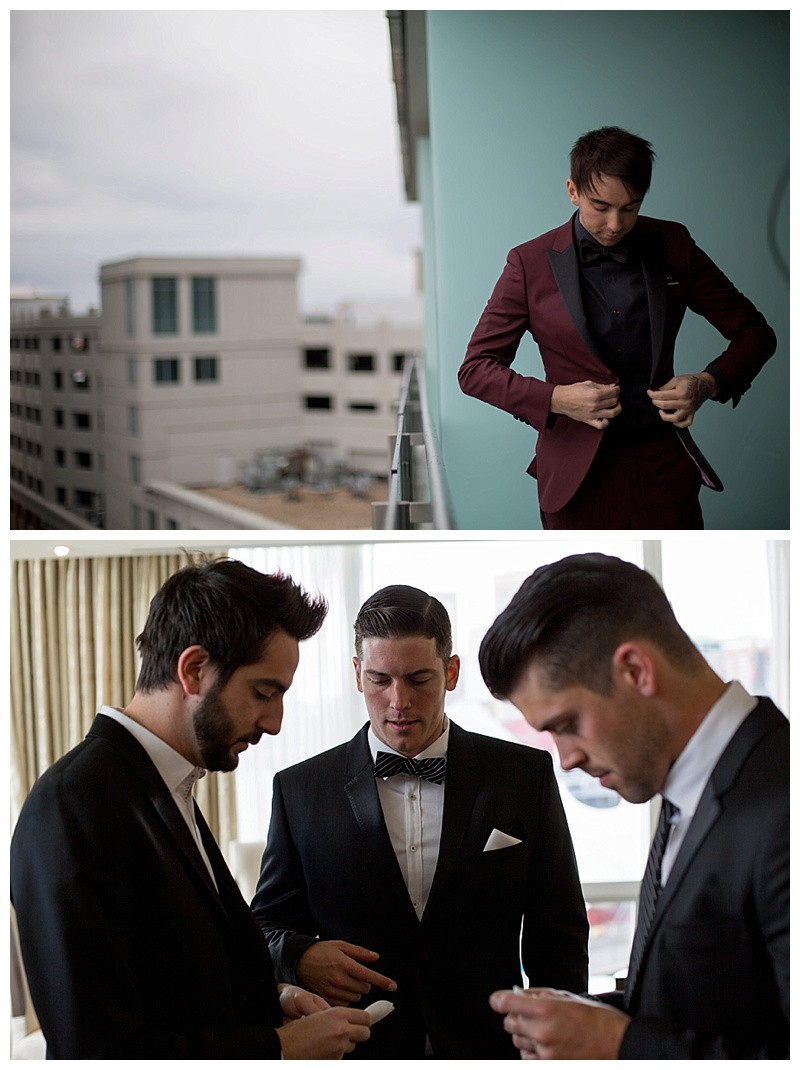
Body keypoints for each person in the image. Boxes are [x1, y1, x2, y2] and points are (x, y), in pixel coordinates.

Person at [10, 558, 372, 1059]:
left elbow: (174, 987)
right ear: (194, 669)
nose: (274, 723)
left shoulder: (166, 784)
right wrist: (275, 1049)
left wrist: (272, 1002)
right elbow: (95, 1050)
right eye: (264, 692)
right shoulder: (74, 804)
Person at [251, 584, 588, 1059]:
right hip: (358, 1050)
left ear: (451, 673)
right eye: (380, 679)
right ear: (356, 674)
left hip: (492, 1049)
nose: (398, 701)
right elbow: (262, 926)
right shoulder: (300, 789)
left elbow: (559, 932)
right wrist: (300, 955)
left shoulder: (523, 775)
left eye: (418, 679)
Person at [479, 553, 788, 1059]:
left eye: (568, 723)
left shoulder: (783, 804)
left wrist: (616, 1044)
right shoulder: (684, 793)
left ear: (636, 670)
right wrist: (590, 1019)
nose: (567, 758)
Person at [458, 126, 777, 529]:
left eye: (630, 207)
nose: (615, 223)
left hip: (665, 472)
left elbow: (756, 333)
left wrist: (707, 383)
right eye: (600, 206)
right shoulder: (529, 262)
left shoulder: (673, 243)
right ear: (572, 191)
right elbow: (475, 370)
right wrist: (557, 398)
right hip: (575, 481)